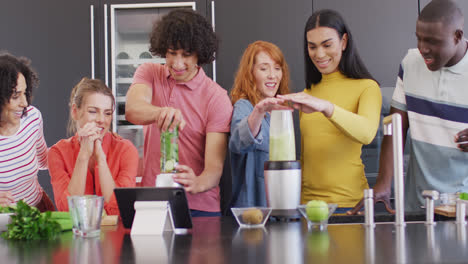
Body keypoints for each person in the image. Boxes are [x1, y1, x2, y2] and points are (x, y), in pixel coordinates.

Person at [349, 0, 468, 214]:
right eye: (419, 38)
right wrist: (384, 183)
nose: (423, 49)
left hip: (463, 208)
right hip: (417, 208)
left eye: (432, 41)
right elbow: (394, 127)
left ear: (457, 36)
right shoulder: (410, 63)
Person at [125, 9, 233, 217]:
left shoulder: (216, 98)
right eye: (172, 53)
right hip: (153, 200)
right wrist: (160, 113)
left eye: (186, 55)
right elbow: (133, 109)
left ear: (200, 54)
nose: (177, 63)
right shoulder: (149, 73)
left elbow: (214, 169)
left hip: (199, 207)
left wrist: (197, 182)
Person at [278, 10, 382, 208]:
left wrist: (326, 107)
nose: (319, 54)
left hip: (349, 206)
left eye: (327, 45)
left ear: (343, 42)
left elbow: (367, 133)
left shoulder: (367, 87)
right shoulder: (308, 93)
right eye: (312, 47)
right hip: (306, 207)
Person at [48, 78, 138, 215]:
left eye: (107, 113)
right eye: (93, 111)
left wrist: (101, 158)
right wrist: (83, 156)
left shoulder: (126, 150)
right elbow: (67, 210)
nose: (101, 120)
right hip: (77, 234)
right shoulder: (58, 153)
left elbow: (118, 208)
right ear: (75, 111)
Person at [229, 41, 291, 207]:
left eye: (277, 68)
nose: (272, 75)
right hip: (253, 211)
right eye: (264, 69)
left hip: (280, 208)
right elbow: (238, 142)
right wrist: (259, 111)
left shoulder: (281, 111)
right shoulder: (244, 106)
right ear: (250, 73)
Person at [0, 52, 54, 211]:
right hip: (6, 221)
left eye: (25, 93)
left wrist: (75, 147)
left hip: (39, 207)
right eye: (16, 95)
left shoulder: (32, 118)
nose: (24, 103)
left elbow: (43, 160)